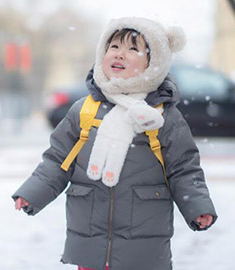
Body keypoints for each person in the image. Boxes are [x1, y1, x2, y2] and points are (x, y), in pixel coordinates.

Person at [12, 17, 217, 270]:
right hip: (90, 241)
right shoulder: (84, 111)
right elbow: (57, 160)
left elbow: (183, 169)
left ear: (153, 64)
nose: (120, 55)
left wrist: (197, 206)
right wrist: (32, 193)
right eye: (114, 47)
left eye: (133, 49)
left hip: (143, 245)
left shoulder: (162, 116)